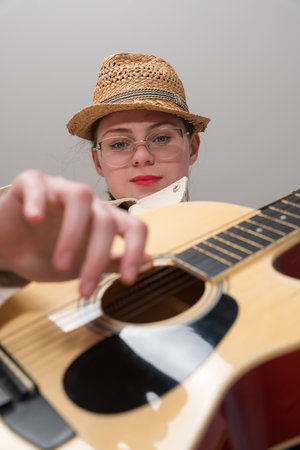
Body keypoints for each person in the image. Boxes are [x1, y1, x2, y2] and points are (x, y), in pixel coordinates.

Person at [0, 52, 210, 306]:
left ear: (193, 147)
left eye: (162, 138)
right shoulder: (54, 239)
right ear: (98, 161)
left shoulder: (237, 235)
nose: (141, 157)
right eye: (120, 143)